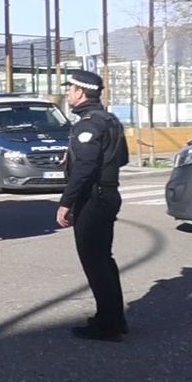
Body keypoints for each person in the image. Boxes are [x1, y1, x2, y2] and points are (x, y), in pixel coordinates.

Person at [55, 71, 130, 342]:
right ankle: (113, 318)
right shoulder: (109, 120)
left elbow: (86, 168)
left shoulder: (88, 124)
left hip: (94, 198)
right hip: (108, 193)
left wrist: (66, 202)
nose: (68, 94)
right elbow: (121, 157)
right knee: (104, 261)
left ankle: (107, 326)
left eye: (71, 89)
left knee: (95, 263)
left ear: (81, 92)